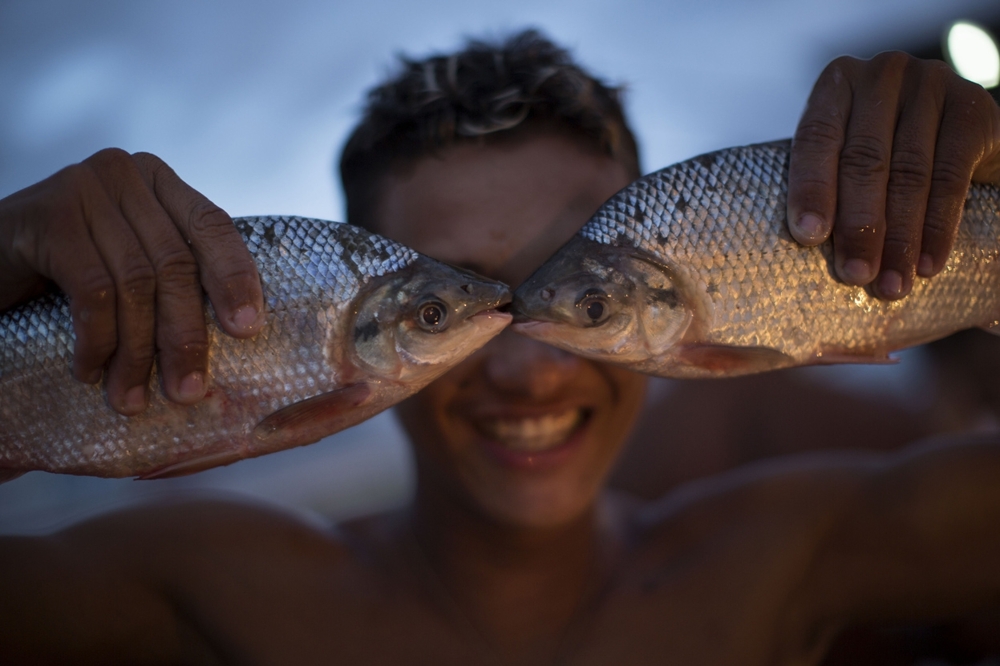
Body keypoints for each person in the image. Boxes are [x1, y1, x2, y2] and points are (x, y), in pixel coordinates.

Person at [2, 30, 1000, 665]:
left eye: (572, 286)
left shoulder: (798, 551)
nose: (528, 361)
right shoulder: (192, 586)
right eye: (456, 301)